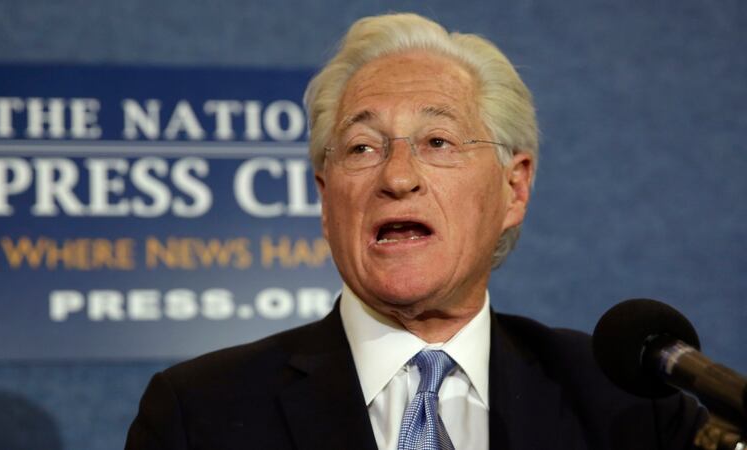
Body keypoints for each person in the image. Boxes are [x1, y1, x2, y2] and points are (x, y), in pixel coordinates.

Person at [125, 13, 704, 450]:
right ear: (326, 201)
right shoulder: (199, 415)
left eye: (438, 142)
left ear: (514, 189)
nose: (398, 177)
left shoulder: (627, 407)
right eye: (362, 147)